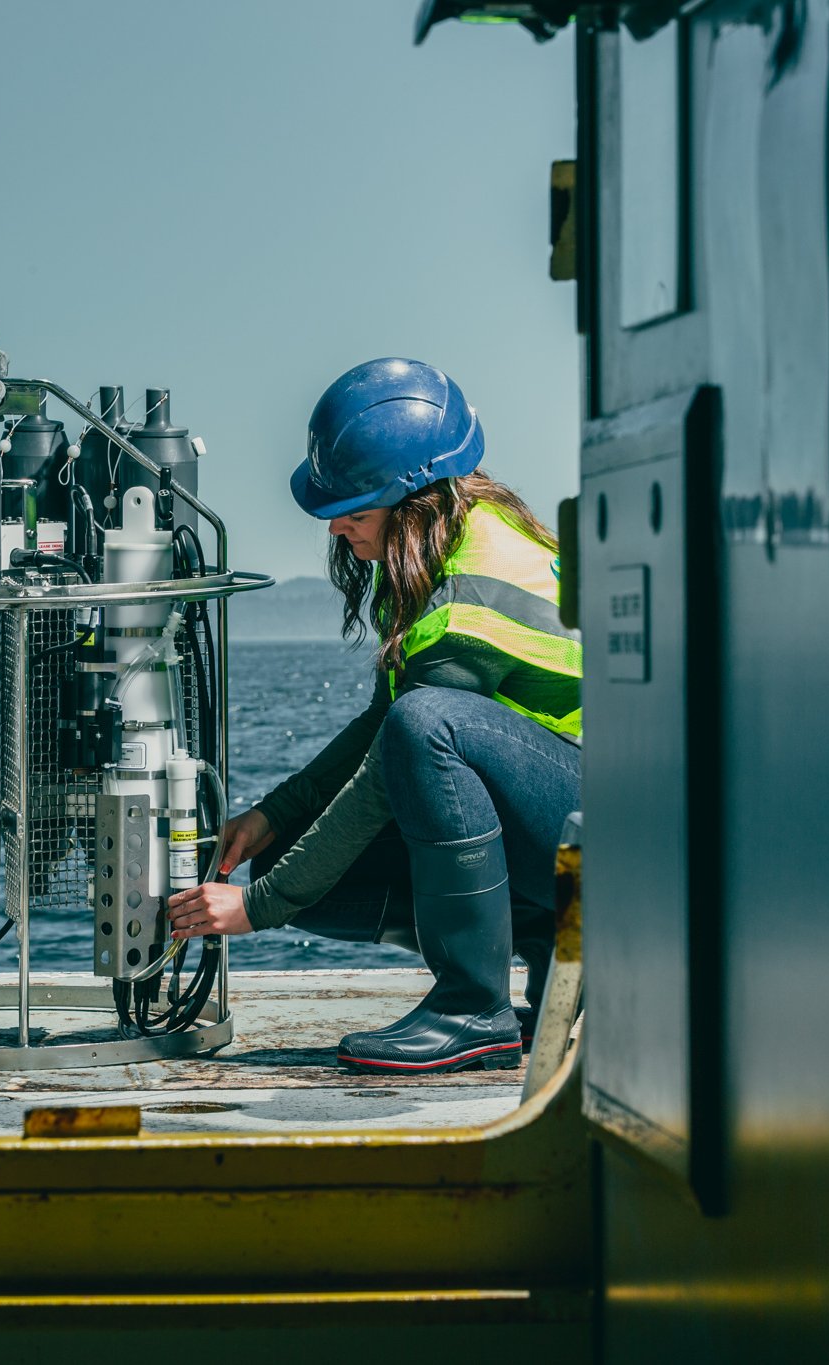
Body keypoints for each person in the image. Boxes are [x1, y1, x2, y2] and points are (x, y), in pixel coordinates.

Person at [166, 357, 582, 1072]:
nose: (336, 529)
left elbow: (403, 751)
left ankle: (472, 1006)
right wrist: (271, 814)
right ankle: (541, 941)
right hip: (567, 819)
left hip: (609, 845)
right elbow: (381, 727)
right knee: (299, 833)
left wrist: (259, 907)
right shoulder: (448, 541)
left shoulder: (468, 597)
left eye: (354, 513)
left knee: (426, 727)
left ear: (412, 505)